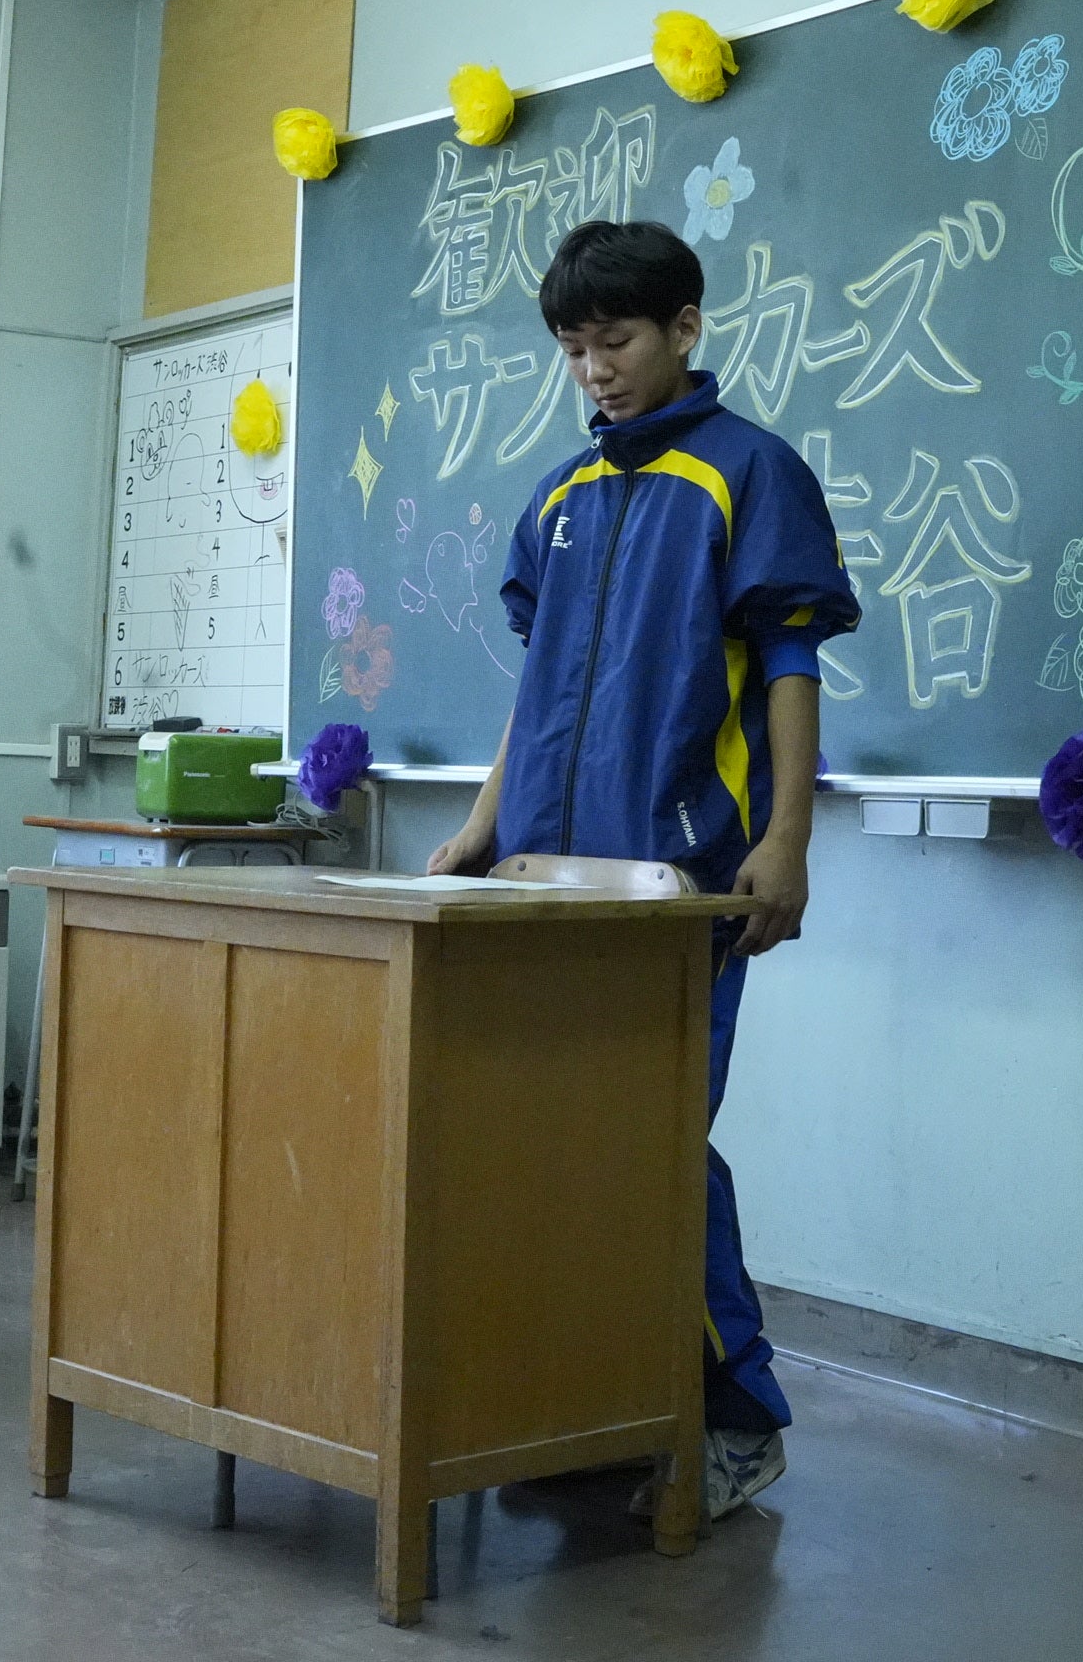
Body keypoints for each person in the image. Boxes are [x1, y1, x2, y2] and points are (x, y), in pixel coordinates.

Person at [426, 219, 860, 1520]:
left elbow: (789, 662)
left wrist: (786, 839)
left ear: (685, 326)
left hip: (678, 891)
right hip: (542, 889)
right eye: (573, 348)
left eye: (614, 340)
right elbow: (540, 686)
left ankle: (735, 1417)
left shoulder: (747, 473)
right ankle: (592, 1407)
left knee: (655, 1143)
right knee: (551, 1147)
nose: (594, 369)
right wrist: (481, 823)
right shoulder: (560, 498)